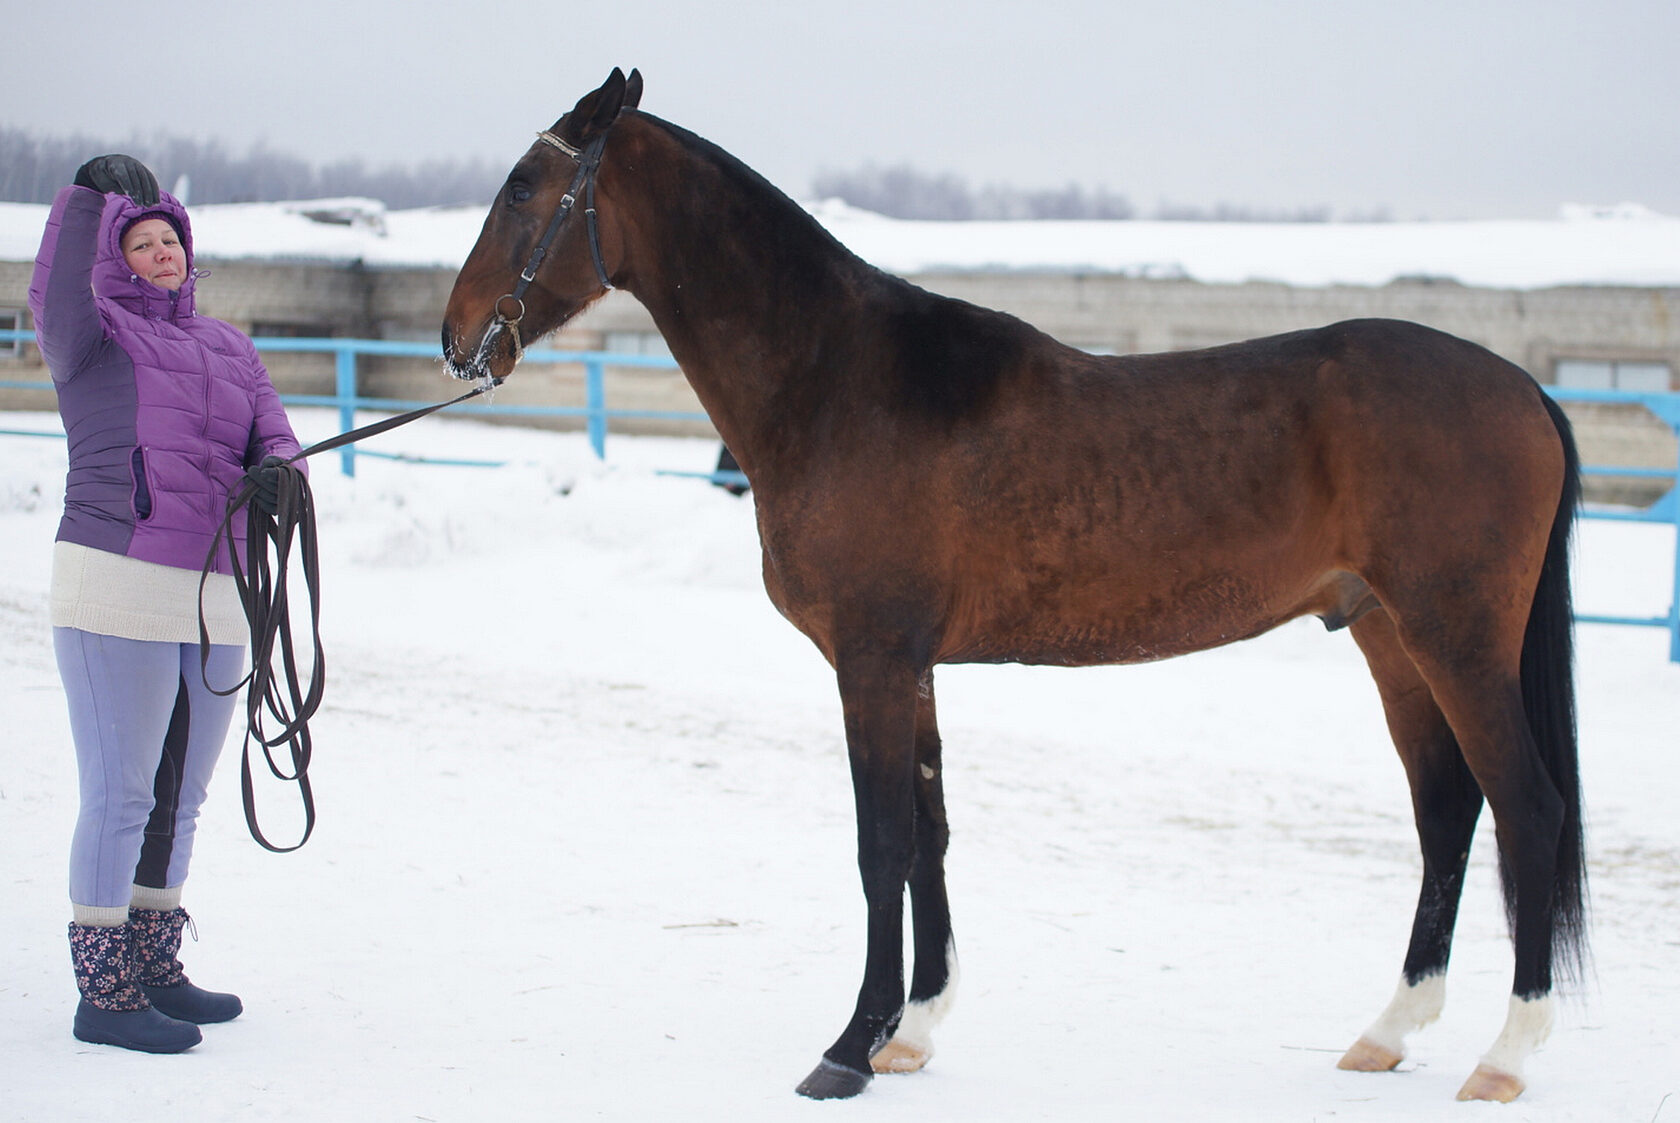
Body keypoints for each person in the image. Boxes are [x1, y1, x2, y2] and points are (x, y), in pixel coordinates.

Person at [28, 154, 302, 1053]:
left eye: (171, 241)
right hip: (118, 584)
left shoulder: (232, 347)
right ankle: (102, 990)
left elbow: (281, 439)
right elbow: (55, 289)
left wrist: (280, 481)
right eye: (141, 243)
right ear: (116, 258)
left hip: (218, 592)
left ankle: (152, 961)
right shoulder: (91, 337)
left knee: (179, 799)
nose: (162, 253)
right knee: (120, 793)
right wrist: (81, 201)